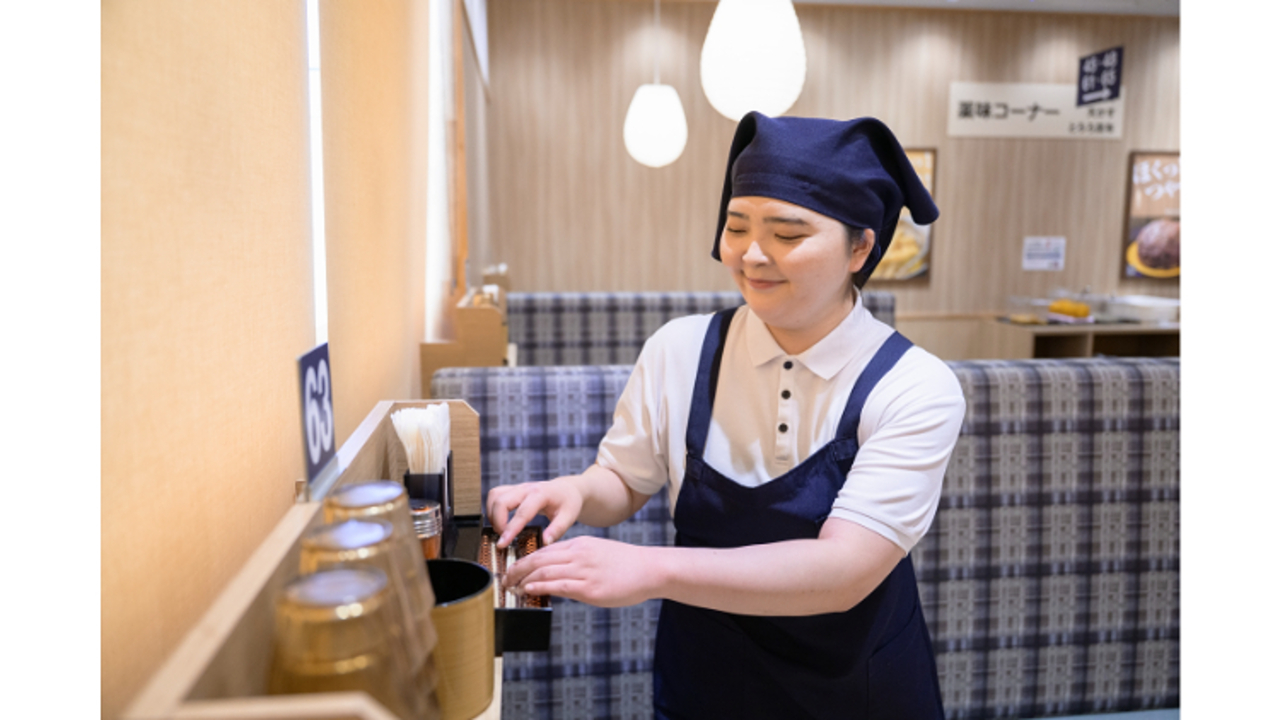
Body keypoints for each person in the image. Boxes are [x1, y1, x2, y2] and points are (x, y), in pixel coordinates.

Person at [488, 112, 966, 719]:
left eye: (788, 235)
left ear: (861, 246)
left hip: (856, 688)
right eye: (736, 227)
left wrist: (648, 567)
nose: (751, 255)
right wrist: (575, 490)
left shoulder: (915, 387)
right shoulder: (679, 349)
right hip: (707, 677)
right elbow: (626, 480)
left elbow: (842, 570)